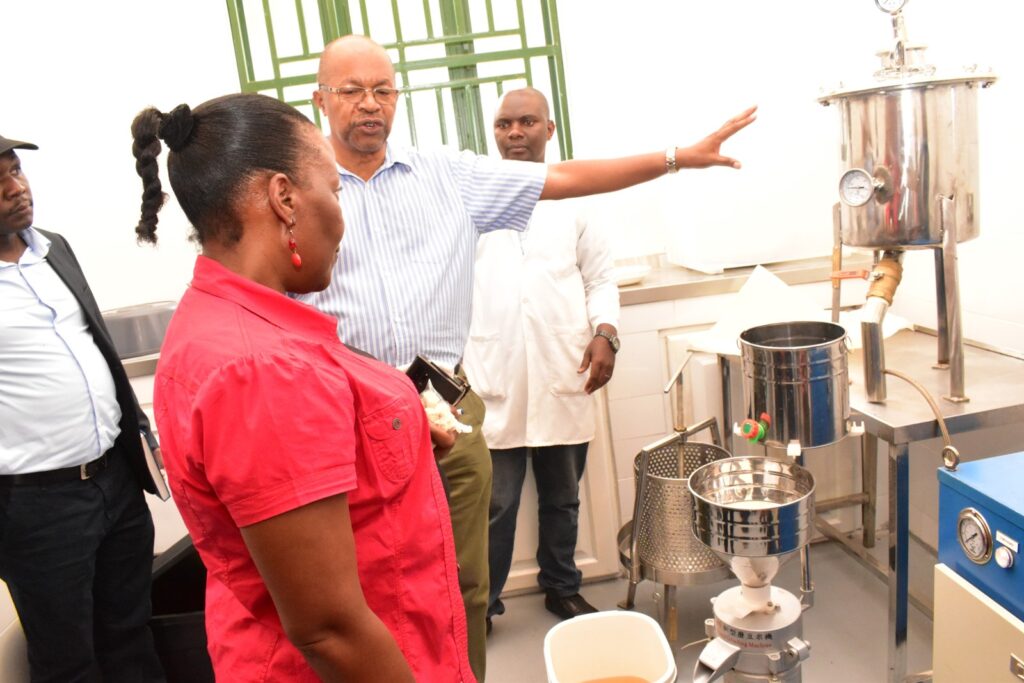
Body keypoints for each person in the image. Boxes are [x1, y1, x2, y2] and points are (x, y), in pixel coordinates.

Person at [302, 34, 756, 679]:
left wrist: (677, 156)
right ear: (322, 99)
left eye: (382, 90)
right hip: (349, 417)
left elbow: (568, 178)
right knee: (370, 590)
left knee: (464, 586)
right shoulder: (302, 185)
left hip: (443, 411)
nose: (368, 105)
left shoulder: (446, 175)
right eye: (351, 91)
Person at [131, 94, 474, 682]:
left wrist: (405, 434)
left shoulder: (233, 321)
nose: (343, 216)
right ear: (284, 198)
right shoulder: (261, 371)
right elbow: (330, 630)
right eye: (335, 192)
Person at [0, 134, 166, 682]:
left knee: (131, 634)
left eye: (16, 169)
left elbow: (98, 347)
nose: (15, 187)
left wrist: (139, 436)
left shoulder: (55, 248)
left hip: (114, 482)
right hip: (36, 506)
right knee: (67, 660)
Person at [462, 88, 619, 632]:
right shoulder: (473, 204)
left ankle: (562, 588)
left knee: (562, 498)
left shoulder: (577, 200)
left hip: (565, 370)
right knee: (495, 504)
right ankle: (482, 604)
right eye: (504, 124)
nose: (514, 133)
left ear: (548, 130)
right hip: (494, 375)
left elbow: (601, 278)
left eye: (527, 122)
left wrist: (607, 334)